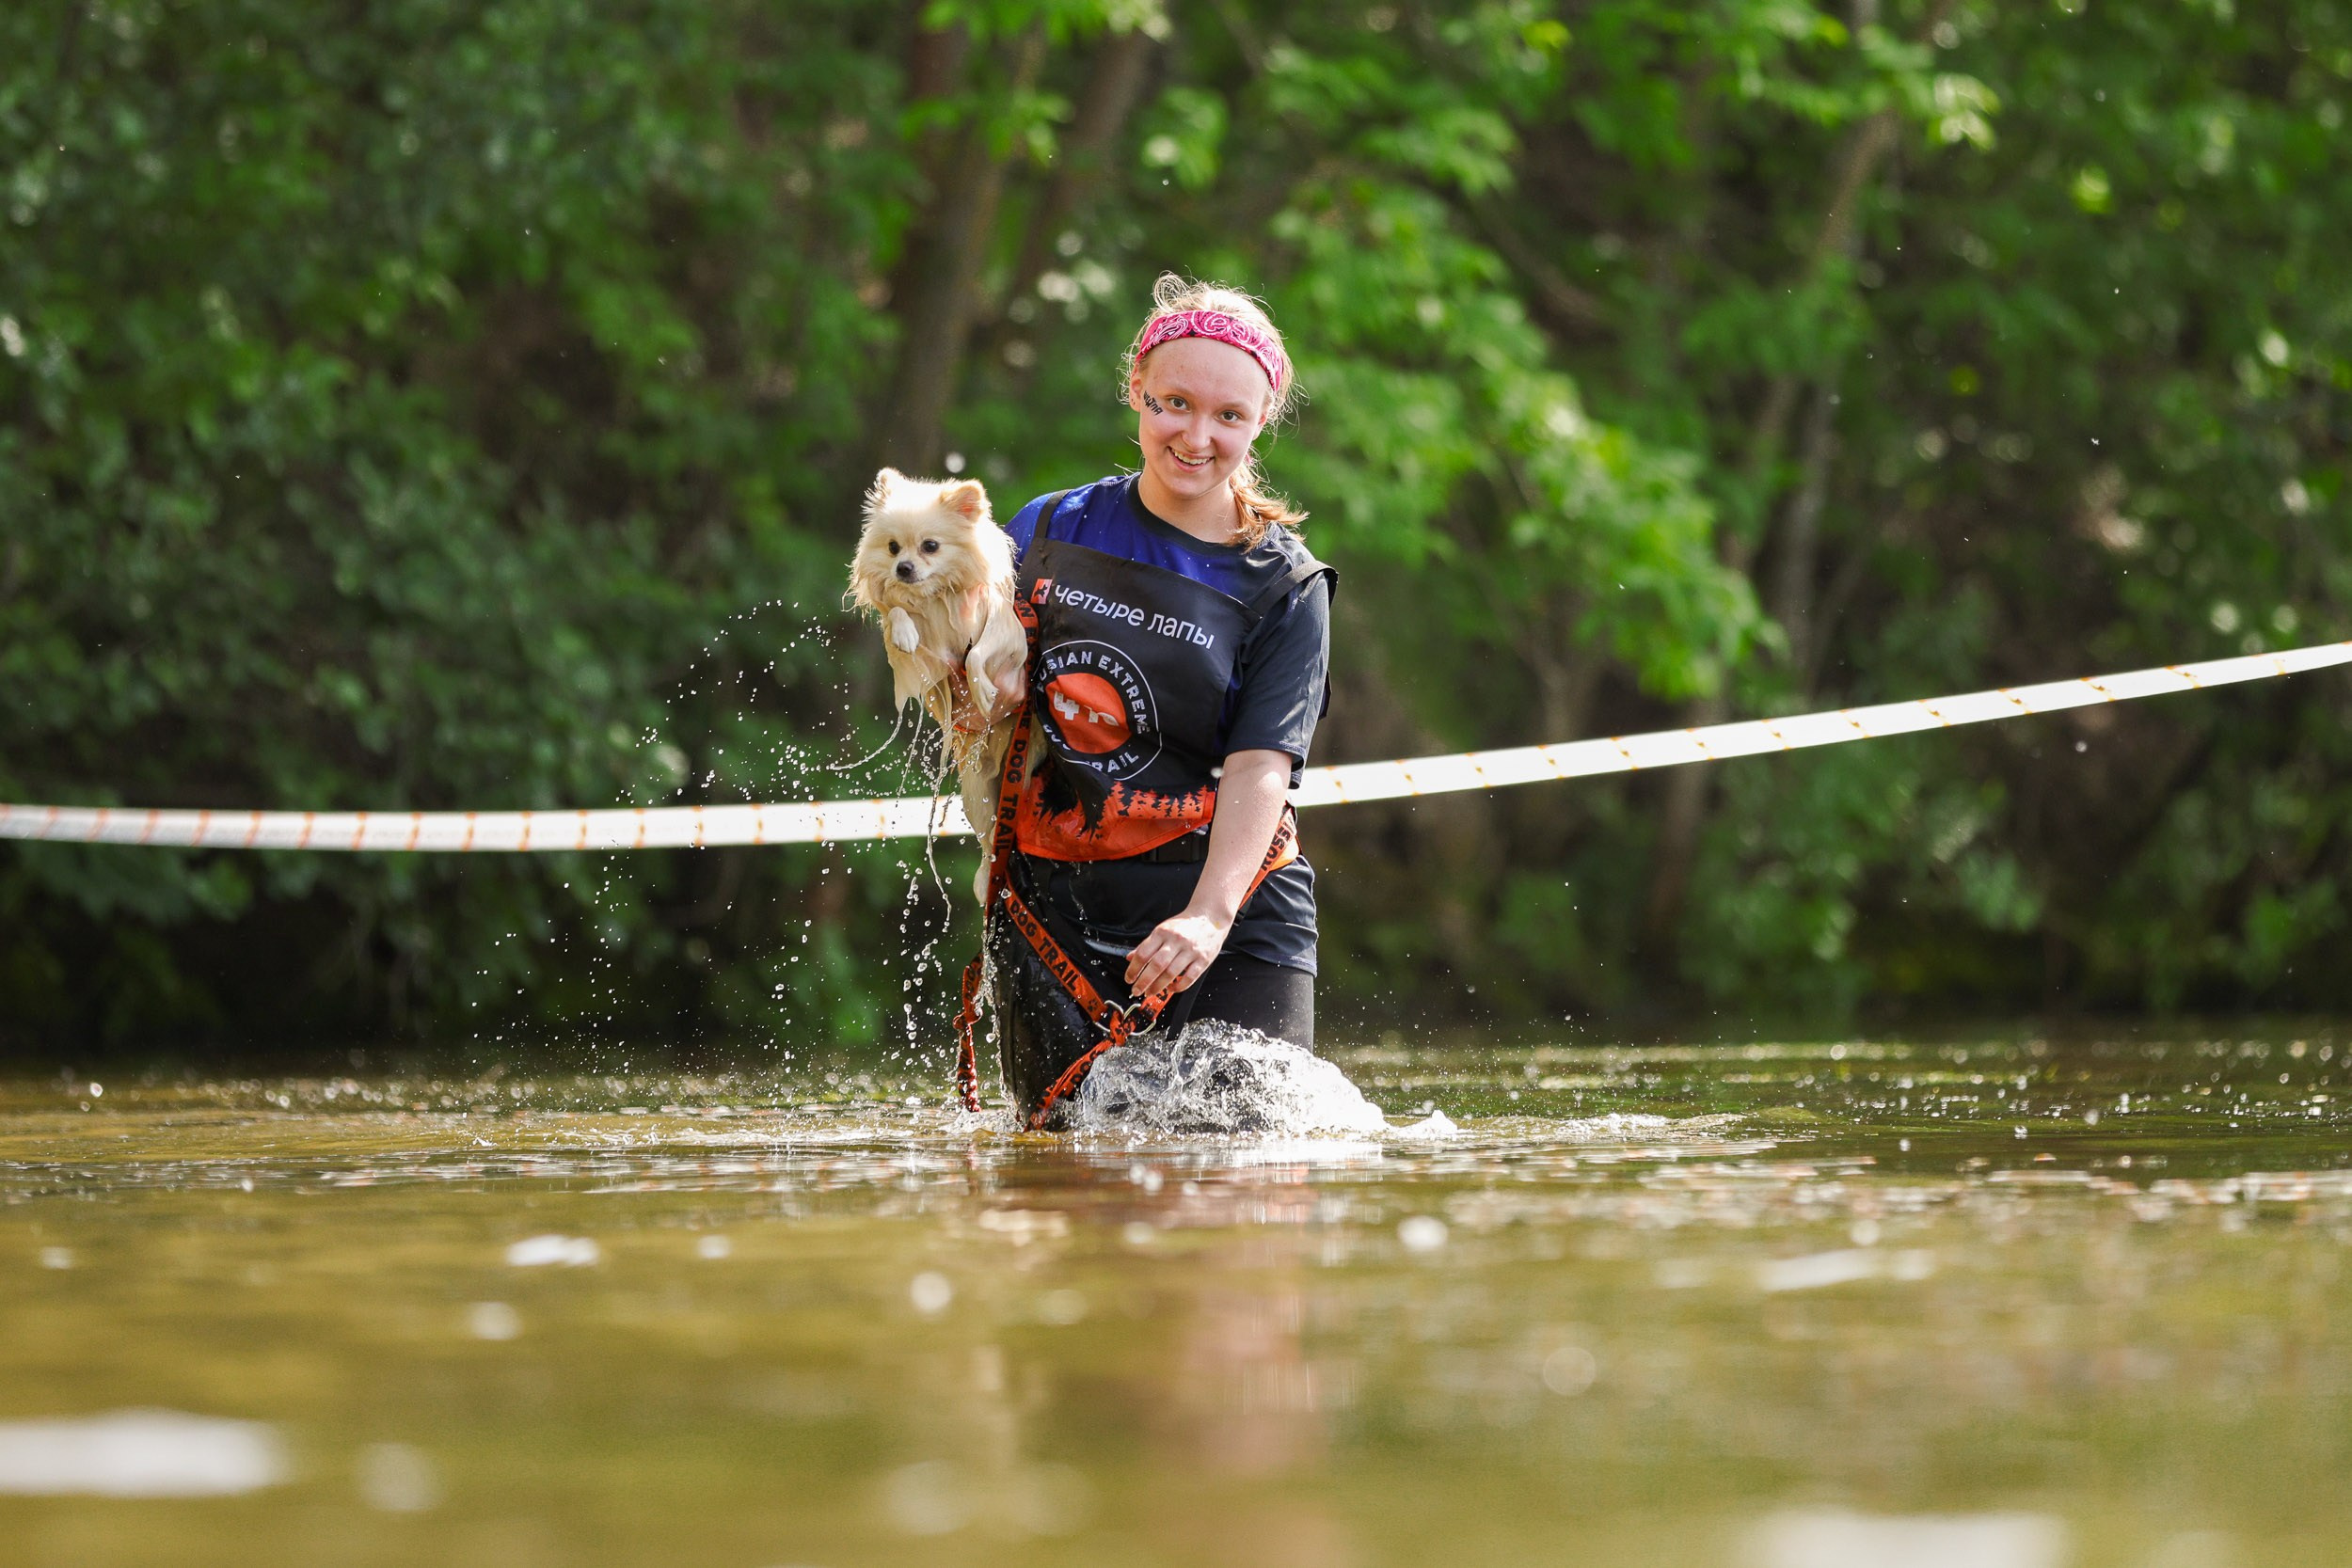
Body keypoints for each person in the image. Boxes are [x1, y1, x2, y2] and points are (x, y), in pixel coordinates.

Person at [979, 276, 1334, 1128]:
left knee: (1242, 1193)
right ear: (1137, 389)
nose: (1196, 436)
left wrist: (1207, 918)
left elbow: (1261, 766)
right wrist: (973, 688)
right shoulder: (1047, 527)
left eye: (1229, 417)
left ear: (1261, 424)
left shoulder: (1285, 584)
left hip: (1230, 905)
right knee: (1062, 1192)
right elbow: (978, 700)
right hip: (1053, 903)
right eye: (1175, 402)